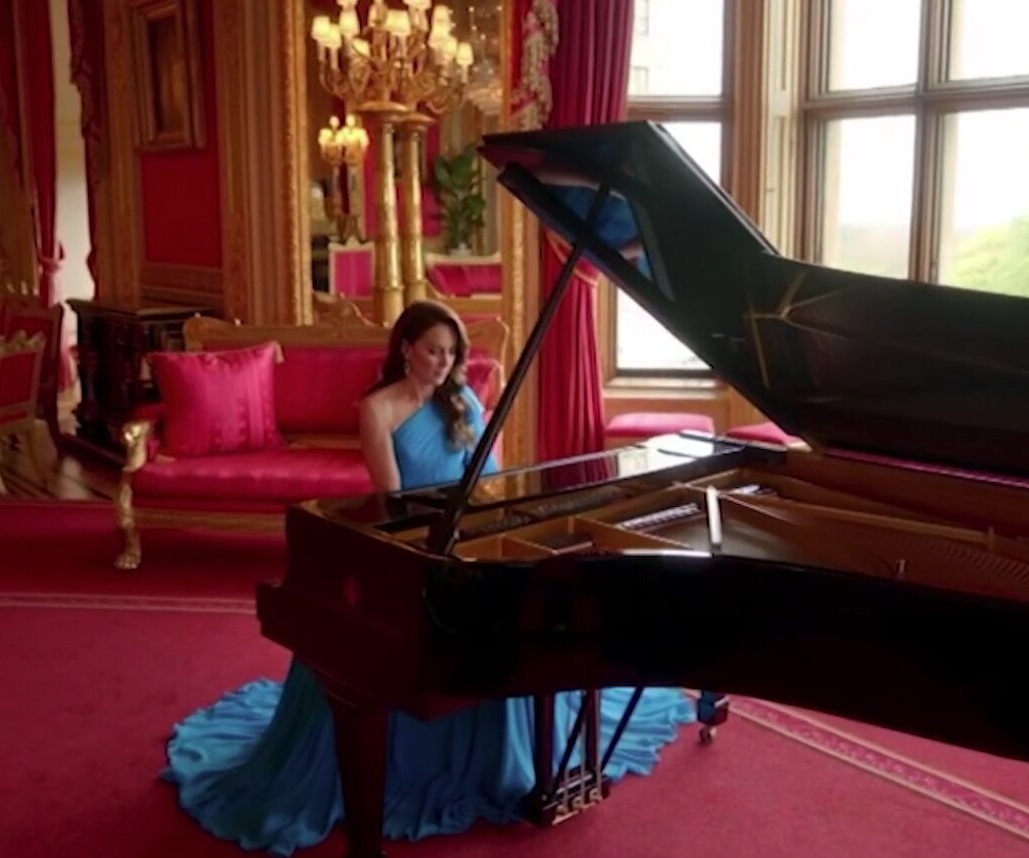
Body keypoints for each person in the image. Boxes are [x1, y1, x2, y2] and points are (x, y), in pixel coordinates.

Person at [160, 301, 695, 855]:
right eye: (434, 350)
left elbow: (490, 481)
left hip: (473, 540)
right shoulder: (378, 409)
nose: (444, 362)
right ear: (407, 349)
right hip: (412, 543)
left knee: (512, 610)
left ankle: (505, 756)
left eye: (452, 352)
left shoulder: (462, 398)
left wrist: (491, 532)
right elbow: (390, 502)